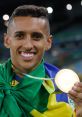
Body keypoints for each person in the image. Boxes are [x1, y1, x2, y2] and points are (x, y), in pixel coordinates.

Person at [1, 4, 82, 117]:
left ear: (48, 42)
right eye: (19, 36)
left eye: (36, 37)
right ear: (7, 40)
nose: (28, 45)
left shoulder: (65, 90)